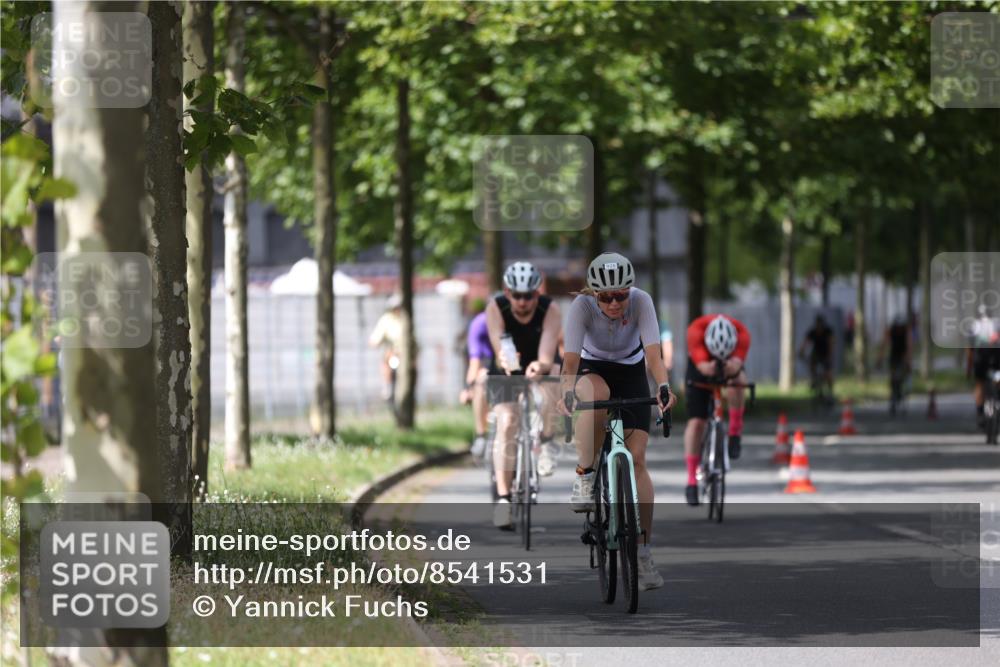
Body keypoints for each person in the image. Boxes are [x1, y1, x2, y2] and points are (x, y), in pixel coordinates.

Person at [558, 252, 677, 592]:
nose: (613, 302)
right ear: (593, 293)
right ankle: (585, 472)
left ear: (630, 290)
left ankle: (642, 552)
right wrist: (567, 391)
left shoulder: (642, 302)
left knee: (638, 460)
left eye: (620, 295)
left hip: (630, 371)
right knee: (593, 394)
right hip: (592, 368)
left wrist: (664, 386)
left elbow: (654, 354)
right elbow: (569, 360)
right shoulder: (581, 308)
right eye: (605, 297)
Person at [487, 262, 562, 530]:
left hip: (539, 360)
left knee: (554, 373)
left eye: (528, 295)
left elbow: (546, 354)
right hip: (506, 362)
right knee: (507, 422)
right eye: (516, 295)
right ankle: (504, 499)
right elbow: (499, 343)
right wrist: (509, 364)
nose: (522, 302)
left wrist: (539, 367)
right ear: (507, 293)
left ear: (537, 293)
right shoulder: (496, 307)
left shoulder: (550, 309)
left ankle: (547, 439)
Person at [683, 314, 751, 506]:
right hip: (701, 364)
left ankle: (735, 431)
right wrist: (710, 367)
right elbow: (704, 368)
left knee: (737, 384)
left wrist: (732, 369)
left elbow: (738, 370)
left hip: (730, 360)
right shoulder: (695, 331)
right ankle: (691, 481)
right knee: (697, 422)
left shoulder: (742, 335)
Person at [460, 298, 492, 456]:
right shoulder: (479, 325)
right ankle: (481, 435)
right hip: (488, 363)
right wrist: (467, 389)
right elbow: (475, 362)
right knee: (482, 378)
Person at [368, 294, 405, 402]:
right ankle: (387, 386)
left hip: (404, 353)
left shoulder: (405, 319)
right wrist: (375, 342)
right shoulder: (386, 320)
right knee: (386, 361)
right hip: (392, 352)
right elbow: (376, 337)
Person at [968, 305, 1000, 429]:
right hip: (996, 357)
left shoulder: (974, 326)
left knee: (979, 384)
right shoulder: (997, 324)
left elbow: (970, 349)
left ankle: (980, 413)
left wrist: (969, 368)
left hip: (980, 357)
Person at [881, 315, 913, 412]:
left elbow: (909, 346)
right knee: (892, 377)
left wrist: (908, 360)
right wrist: (880, 358)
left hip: (903, 357)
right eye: (897, 327)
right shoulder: (891, 330)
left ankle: (901, 392)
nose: (899, 329)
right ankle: (893, 395)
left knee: (902, 376)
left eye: (901, 327)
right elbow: (885, 343)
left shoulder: (906, 331)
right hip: (893, 357)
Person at [798, 314, 834, 398]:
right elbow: (805, 343)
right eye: (818, 325)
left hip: (826, 354)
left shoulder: (828, 332)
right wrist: (801, 352)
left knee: (828, 372)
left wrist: (829, 356)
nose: (819, 327)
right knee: (812, 365)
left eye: (820, 325)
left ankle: (830, 390)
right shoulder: (812, 332)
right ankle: (813, 380)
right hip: (816, 354)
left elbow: (831, 344)